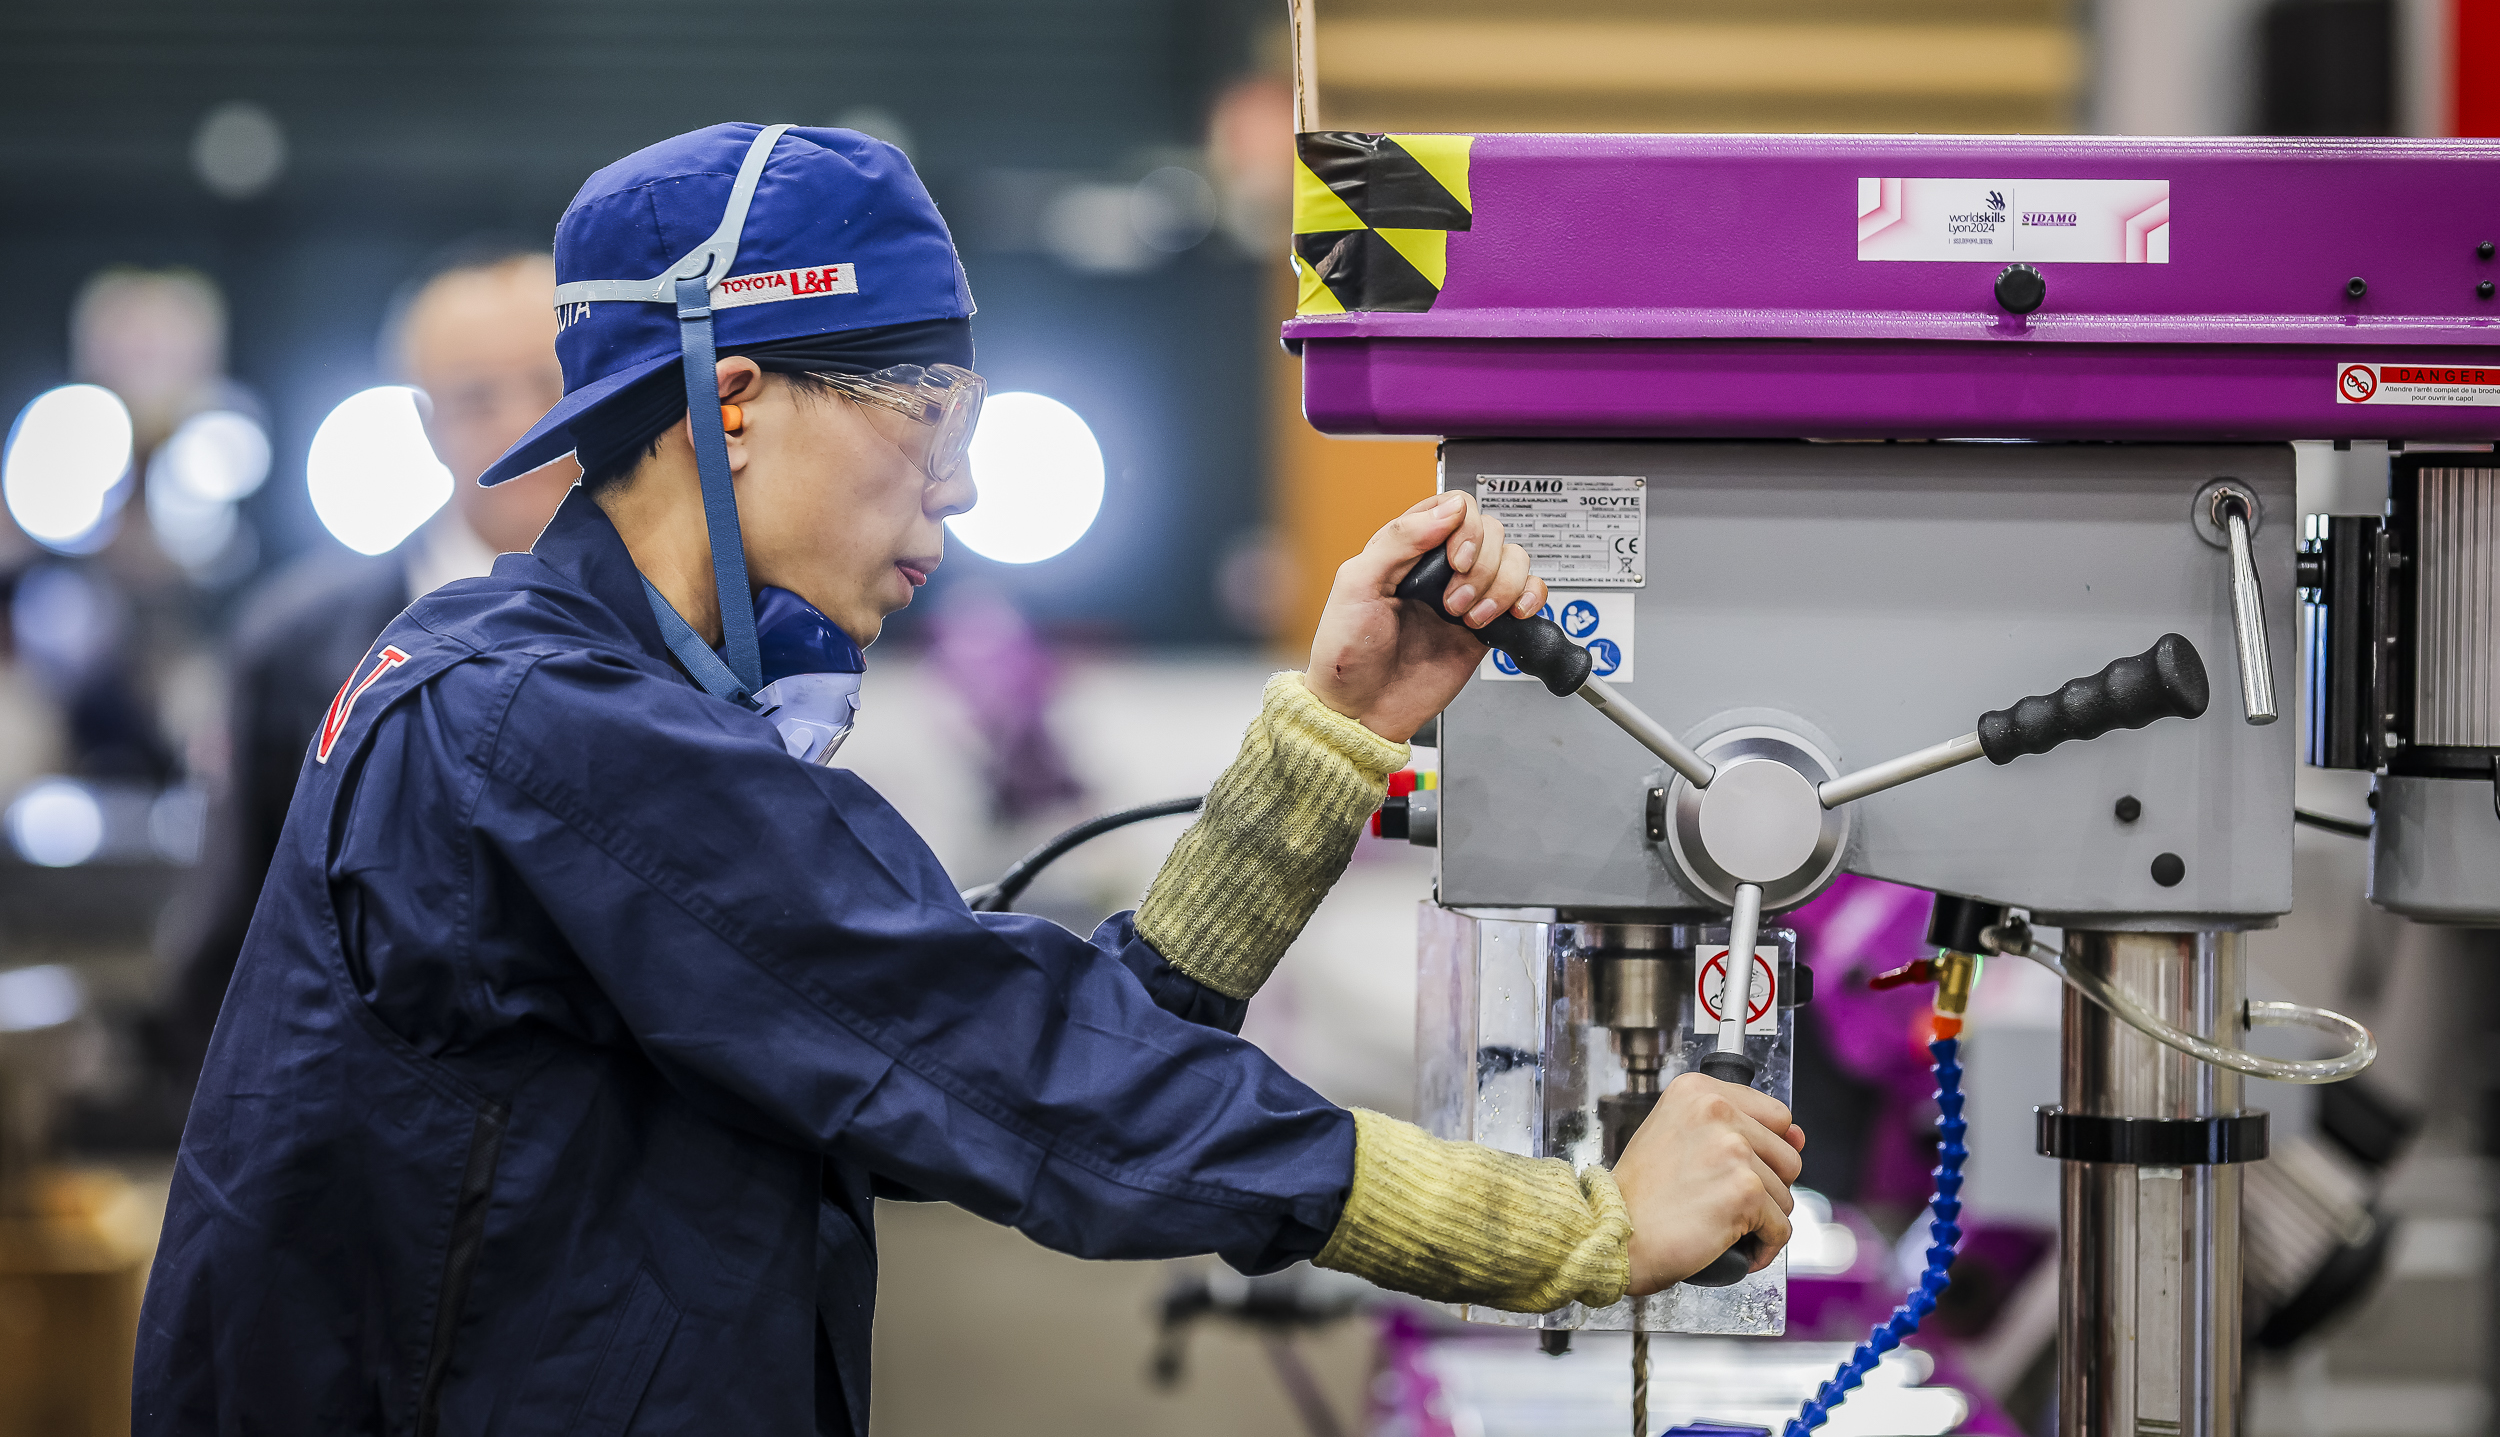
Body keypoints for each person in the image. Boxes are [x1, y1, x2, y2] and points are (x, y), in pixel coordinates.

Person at [133, 124, 1803, 1436]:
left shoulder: (560, 694)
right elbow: (1021, 1077)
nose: (951, 503)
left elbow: (966, 1041)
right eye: (927, 429)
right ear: (735, 404)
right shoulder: (547, 731)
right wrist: (1578, 1225)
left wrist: (1338, 727)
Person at [150, 242, 573, 1088]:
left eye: (549, 383)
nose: (522, 421)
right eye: (476, 397)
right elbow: (238, 927)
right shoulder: (302, 643)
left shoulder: (692, 625)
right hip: (370, 1122)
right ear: (425, 423)